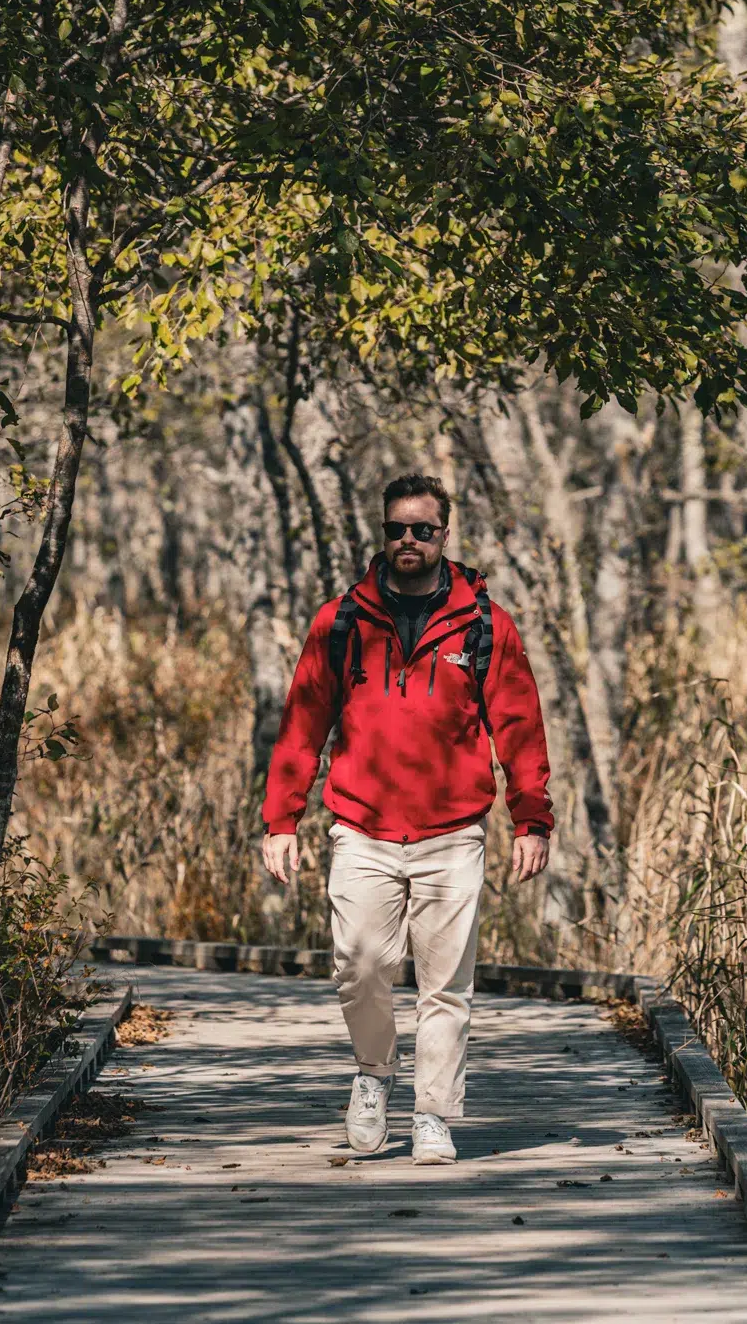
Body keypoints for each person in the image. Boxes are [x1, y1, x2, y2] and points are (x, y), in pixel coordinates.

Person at [260, 473, 554, 1165]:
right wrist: (281, 820)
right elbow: (302, 725)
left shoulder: (484, 626)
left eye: (423, 530)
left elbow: (519, 725)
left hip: (453, 833)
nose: (408, 541)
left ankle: (432, 1113)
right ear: (383, 533)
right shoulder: (340, 623)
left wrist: (532, 818)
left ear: (444, 535)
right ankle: (373, 1075)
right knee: (359, 964)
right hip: (360, 828)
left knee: (445, 984)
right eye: (397, 530)